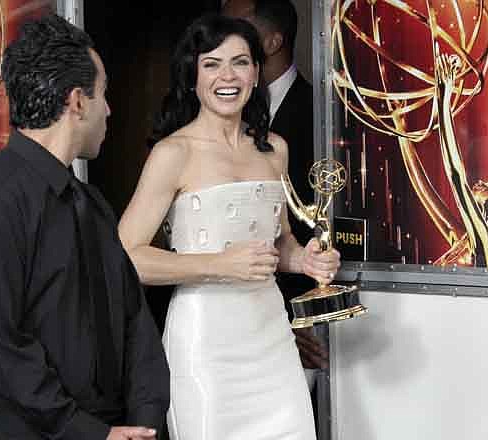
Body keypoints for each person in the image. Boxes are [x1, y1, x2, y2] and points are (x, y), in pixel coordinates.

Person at [0, 14, 169, 440]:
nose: (110, 110)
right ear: (78, 101)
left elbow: (137, 325)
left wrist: (145, 418)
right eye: (104, 95)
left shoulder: (91, 204)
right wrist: (86, 431)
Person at [117, 14, 339, 440]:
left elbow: (280, 244)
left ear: (257, 72)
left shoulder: (275, 150)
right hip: (205, 345)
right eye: (212, 64)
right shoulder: (172, 153)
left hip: (271, 338)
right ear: (193, 77)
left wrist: (306, 260)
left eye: (240, 62)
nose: (228, 76)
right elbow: (127, 257)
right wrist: (219, 264)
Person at [223, 0, 327, 372]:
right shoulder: (216, 119)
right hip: (225, 321)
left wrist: (297, 319)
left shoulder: (322, 114)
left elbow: (309, 228)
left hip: (297, 326)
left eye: (233, 26)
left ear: (271, 42)